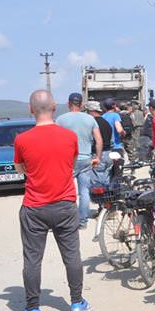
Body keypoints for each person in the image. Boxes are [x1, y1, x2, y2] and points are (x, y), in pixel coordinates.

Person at [13, 89, 90, 311]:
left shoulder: (22, 139)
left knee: (33, 260)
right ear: (55, 107)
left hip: (34, 207)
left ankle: (33, 308)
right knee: (72, 256)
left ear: (30, 109)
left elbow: (20, 169)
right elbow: (71, 163)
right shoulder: (69, 137)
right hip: (65, 204)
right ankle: (76, 302)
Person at [56, 92, 103, 230]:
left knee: (65, 191)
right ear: (82, 104)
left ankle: (66, 220)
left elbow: (55, 140)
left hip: (68, 160)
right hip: (86, 159)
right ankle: (82, 221)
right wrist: (98, 157)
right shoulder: (90, 119)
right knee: (84, 191)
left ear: (68, 103)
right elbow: (99, 140)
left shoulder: (60, 120)